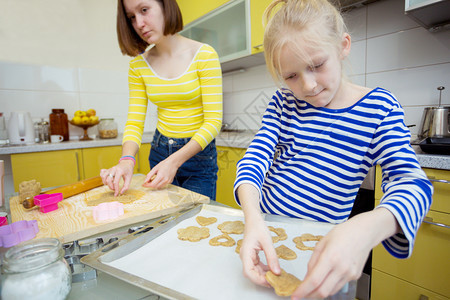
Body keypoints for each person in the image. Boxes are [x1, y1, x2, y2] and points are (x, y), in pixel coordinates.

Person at [234, 0, 433, 298]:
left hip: (319, 249)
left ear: (343, 46)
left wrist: (367, 226)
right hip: (266, 233)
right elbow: (254, 160)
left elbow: (413, 184)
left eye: (316, 65)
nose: (308, 86)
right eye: (291, 76)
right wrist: (253, 218)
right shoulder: (283, 103)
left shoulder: (379, 108)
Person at [100, 0, 223, 200]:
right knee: (165, 222)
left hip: (198, 157)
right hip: (160, 151)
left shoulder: (204, 55)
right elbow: (134, 122)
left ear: (166, 6)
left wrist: (174, 162)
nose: (139, 23)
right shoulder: (138, 66)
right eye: (131, 17)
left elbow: (213, 122)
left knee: (197, 221)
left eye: (144, 10)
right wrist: (127, 160)